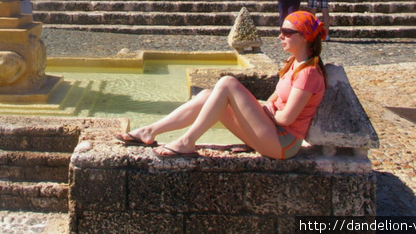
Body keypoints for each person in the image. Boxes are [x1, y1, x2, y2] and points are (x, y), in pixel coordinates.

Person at [115, 11, 327, 159]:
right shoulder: (293, 64)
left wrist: (264, 111)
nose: (281, 36)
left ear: (305, 37)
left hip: (283, 144)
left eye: (288, 32)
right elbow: (273, 99)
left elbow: (285, 118)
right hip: (271, 132)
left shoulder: (308, 73)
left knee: (227, 83)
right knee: (208, 94)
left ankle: (187, 142)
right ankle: (149, 131)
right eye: (282, 31)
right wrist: (263, 109)